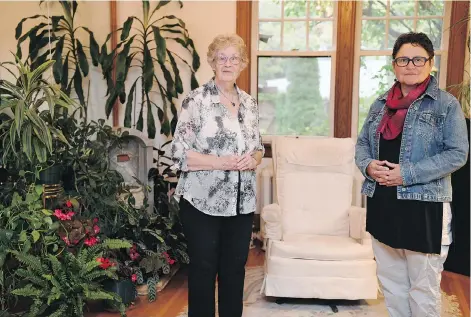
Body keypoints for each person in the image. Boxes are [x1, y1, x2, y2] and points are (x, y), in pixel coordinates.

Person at [355, 32, 468, 317]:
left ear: (430, 63)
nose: (410, 65)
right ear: (394, 65)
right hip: (383, 203)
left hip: (425, 209)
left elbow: (458, 154)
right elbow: (362, 145)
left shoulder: (446, 105)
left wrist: (406, 174)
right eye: (403, 59)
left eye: (419, 59)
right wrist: (368, 165)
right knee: (392, 287)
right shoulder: (379, 105)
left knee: (423, 290)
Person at [171, 34, 264, 317]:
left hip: (241, 203)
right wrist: (220, 162)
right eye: (221, 57)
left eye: (233, 58)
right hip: (202, 202)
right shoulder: (196, 101)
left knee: (235, 271)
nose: (228, 63)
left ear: (242, 63)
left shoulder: (249, 104)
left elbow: (259, 148)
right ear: (212, 62)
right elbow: (179, 153)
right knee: (203, 269)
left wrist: (253, 159)